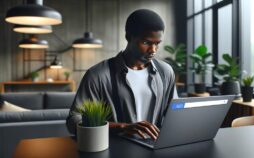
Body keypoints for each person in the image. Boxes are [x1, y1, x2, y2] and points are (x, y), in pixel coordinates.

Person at [66, 9, 178, 140]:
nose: (153, 50)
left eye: (157, 43)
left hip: (155, 148)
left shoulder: (166, 71)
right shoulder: (98, 75)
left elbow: (174, 114)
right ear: (128, 37)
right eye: (146, 42)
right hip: (116, 150)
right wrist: (121, 127)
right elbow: (74, 121)